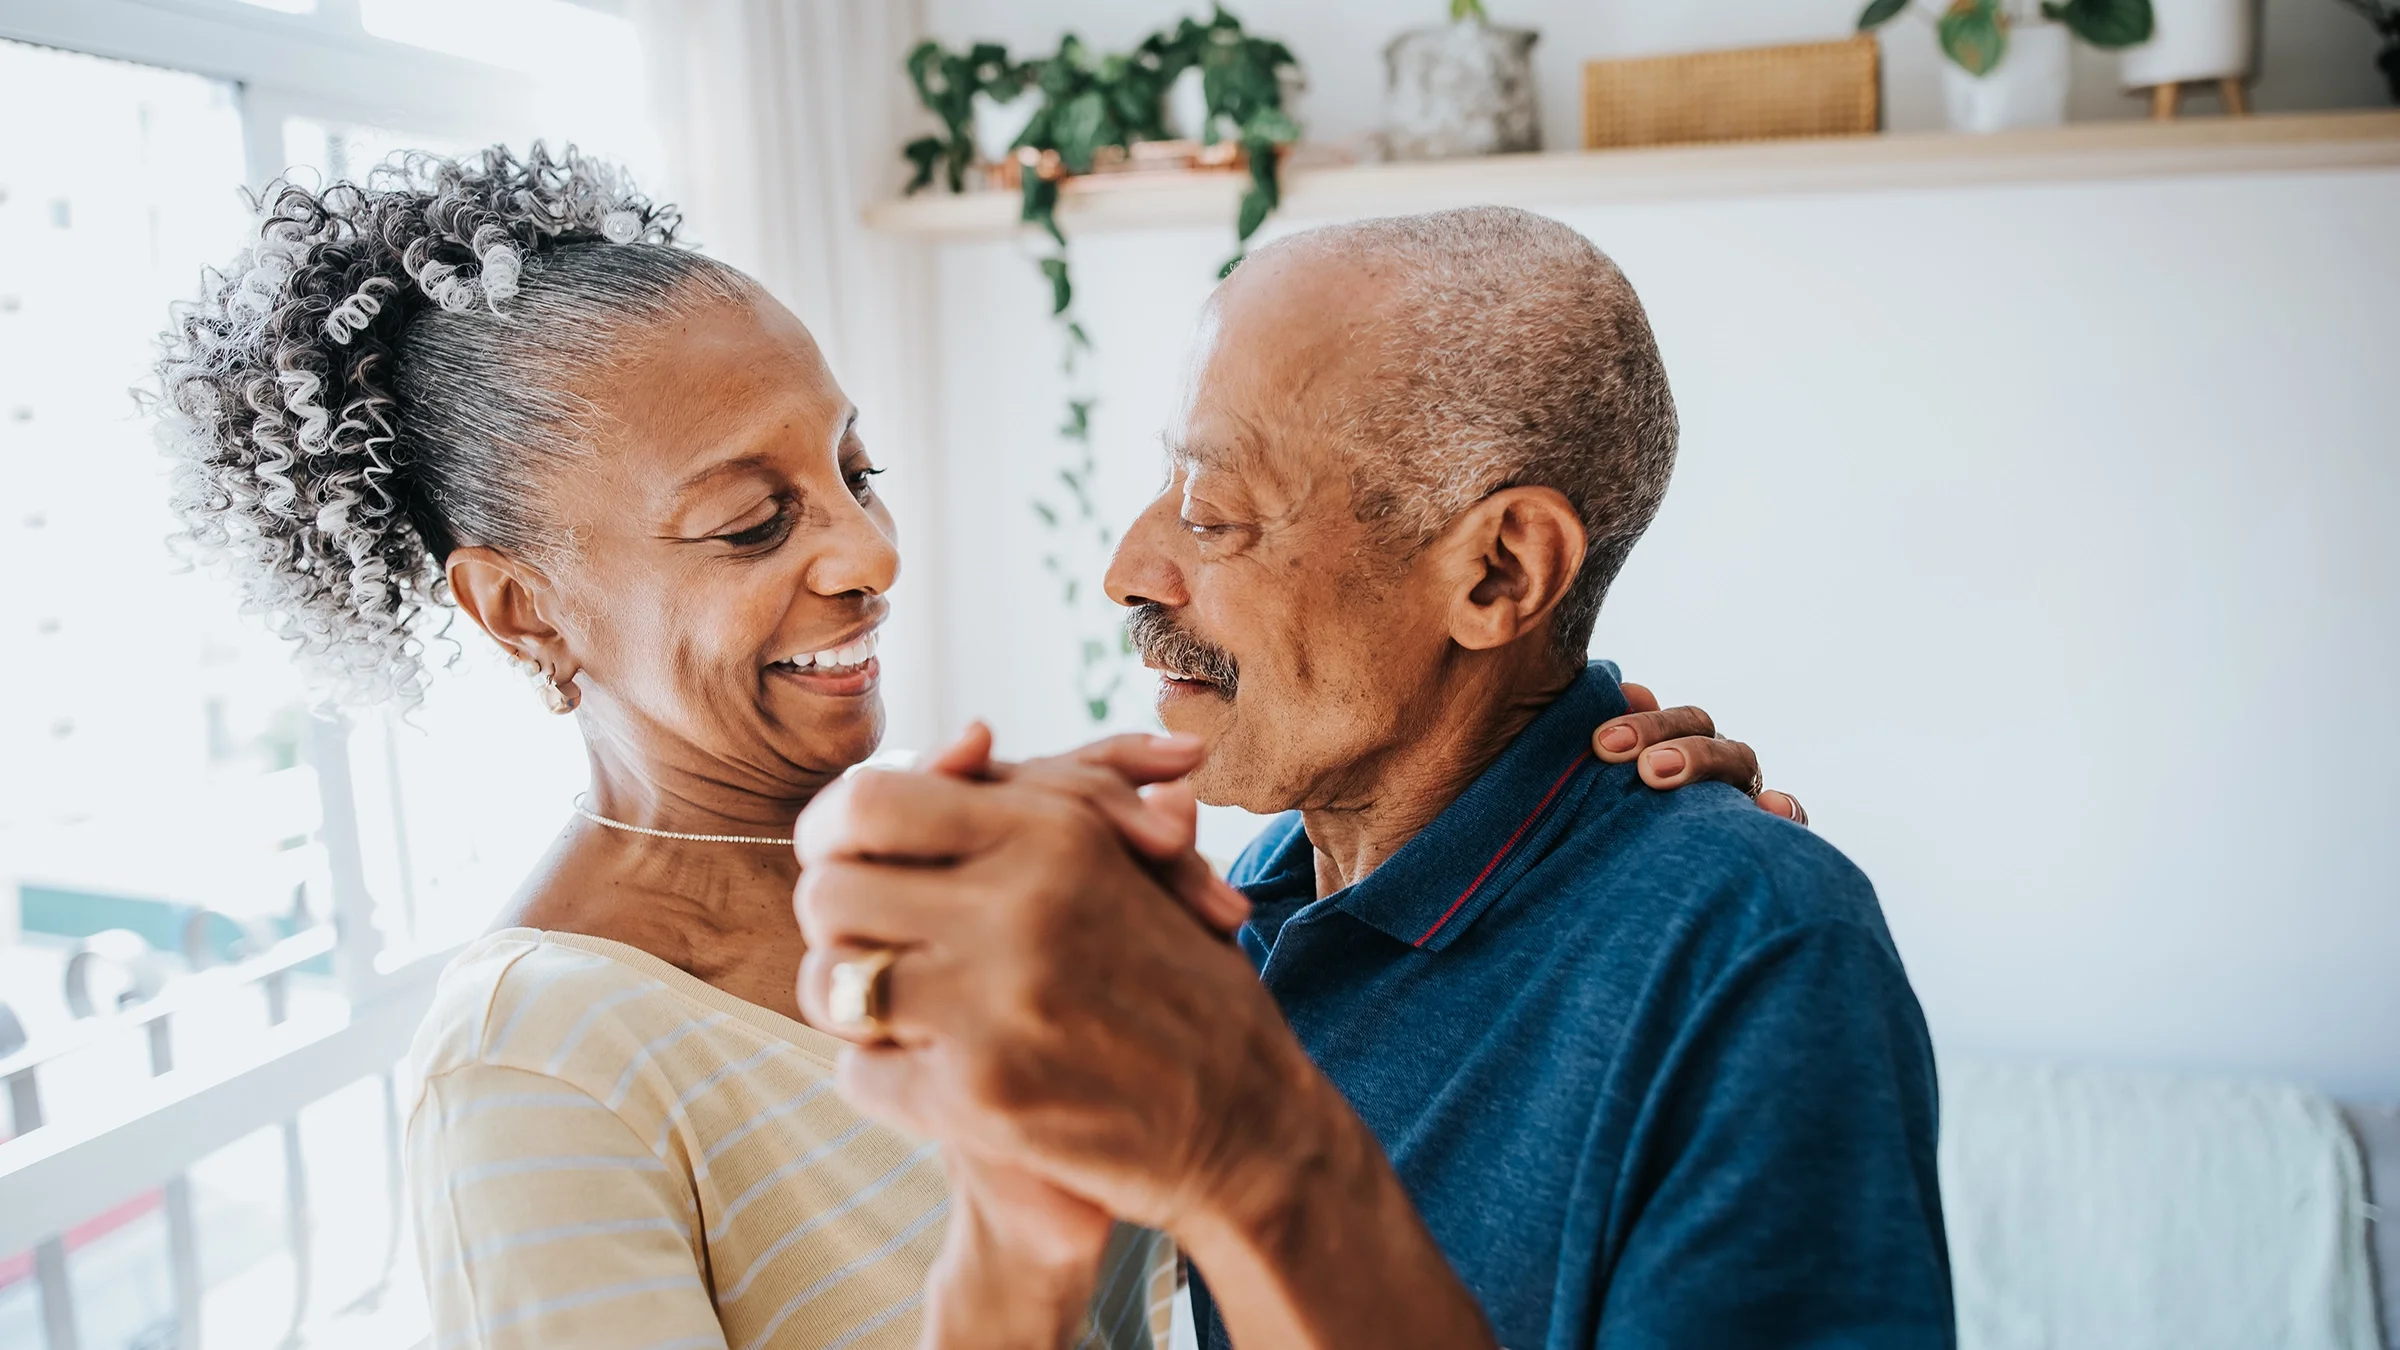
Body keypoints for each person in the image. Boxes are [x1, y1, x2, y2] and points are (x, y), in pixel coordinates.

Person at [152, 150, 1793, 1350]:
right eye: (750, 520)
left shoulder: (962, 878)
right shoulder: (537, 1071)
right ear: (520, 609)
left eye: (856, 470)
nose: (866, 554)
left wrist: (1600, 864)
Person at [791, 208, 1953, 1348]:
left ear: (1498, 572)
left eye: (1215, 511)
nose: (1130, 569)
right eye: (1168, 484)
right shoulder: (1262, 897)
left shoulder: (1754, 941)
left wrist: (1258, 1155)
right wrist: (1021, 1212)